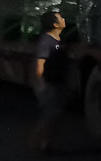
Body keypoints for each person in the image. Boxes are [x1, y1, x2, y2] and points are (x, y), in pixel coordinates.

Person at [29, 11, 70, 153]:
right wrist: (42, 86)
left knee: (56, 115)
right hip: (50, 83)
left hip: (59, 82)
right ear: (55, 24)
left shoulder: (59, 40)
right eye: (60, 18)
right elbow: (39, 66)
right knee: (50, 115)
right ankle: (36, 142)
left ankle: (46, 143)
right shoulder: (46, 42)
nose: (64, 19)